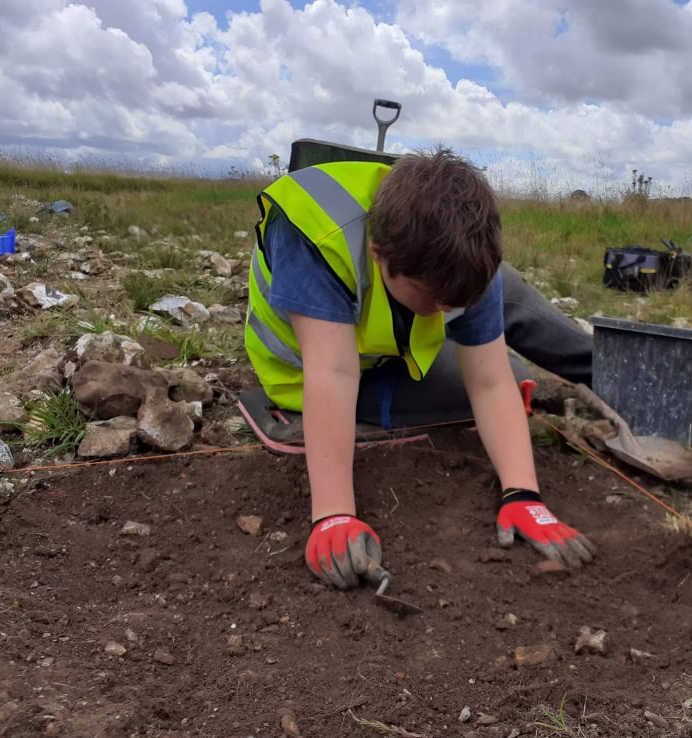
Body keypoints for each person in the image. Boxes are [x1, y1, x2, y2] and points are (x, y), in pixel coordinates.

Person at [244, 147, 596, 590]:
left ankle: (613, 376)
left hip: (390, 346)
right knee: (513, 372)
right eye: (433, 298)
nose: (446, 312)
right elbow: (332, 374)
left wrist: (524, 495)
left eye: (458, 303)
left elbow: (489, 383)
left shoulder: (459, 254)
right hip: (305, 372)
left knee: (504, 341)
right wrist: (334, 516)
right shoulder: (313, 233)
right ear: (378, 253)